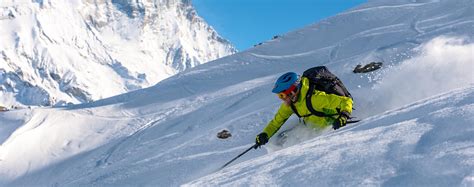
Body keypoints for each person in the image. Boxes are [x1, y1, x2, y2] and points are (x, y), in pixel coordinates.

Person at [255, 72, 353, 148]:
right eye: (280, 96)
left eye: (282, 95)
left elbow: (346, 101)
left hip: (332, 128)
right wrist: (265, 134)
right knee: (280, 139)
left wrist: (344, 116)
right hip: (312, 128)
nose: (282, 99)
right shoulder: (290, 104)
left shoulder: (315, 98)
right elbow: (276, 122)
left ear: (292, 91)